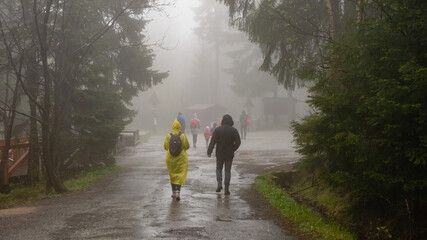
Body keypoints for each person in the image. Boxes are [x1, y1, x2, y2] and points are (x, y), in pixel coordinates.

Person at [207, 114, 241, 195]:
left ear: (222, 121)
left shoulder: (217, 130)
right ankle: (226, 189)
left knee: (218, 169)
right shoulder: (234, 130)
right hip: (229, 154)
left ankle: (219, 184)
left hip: (219, 153)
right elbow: (238, 142)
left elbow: (212, 142)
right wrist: (233, 149)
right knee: (227, 171)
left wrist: (209, 152)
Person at [164, 119, 190, 201]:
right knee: (179, 175)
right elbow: (187, 146)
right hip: (181, 159)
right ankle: (178, 192)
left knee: (172, 175)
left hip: (170, 159)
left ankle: (173, 193)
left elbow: (165, 147)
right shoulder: (182, 136)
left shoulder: (168, 135)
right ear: (180, 127)